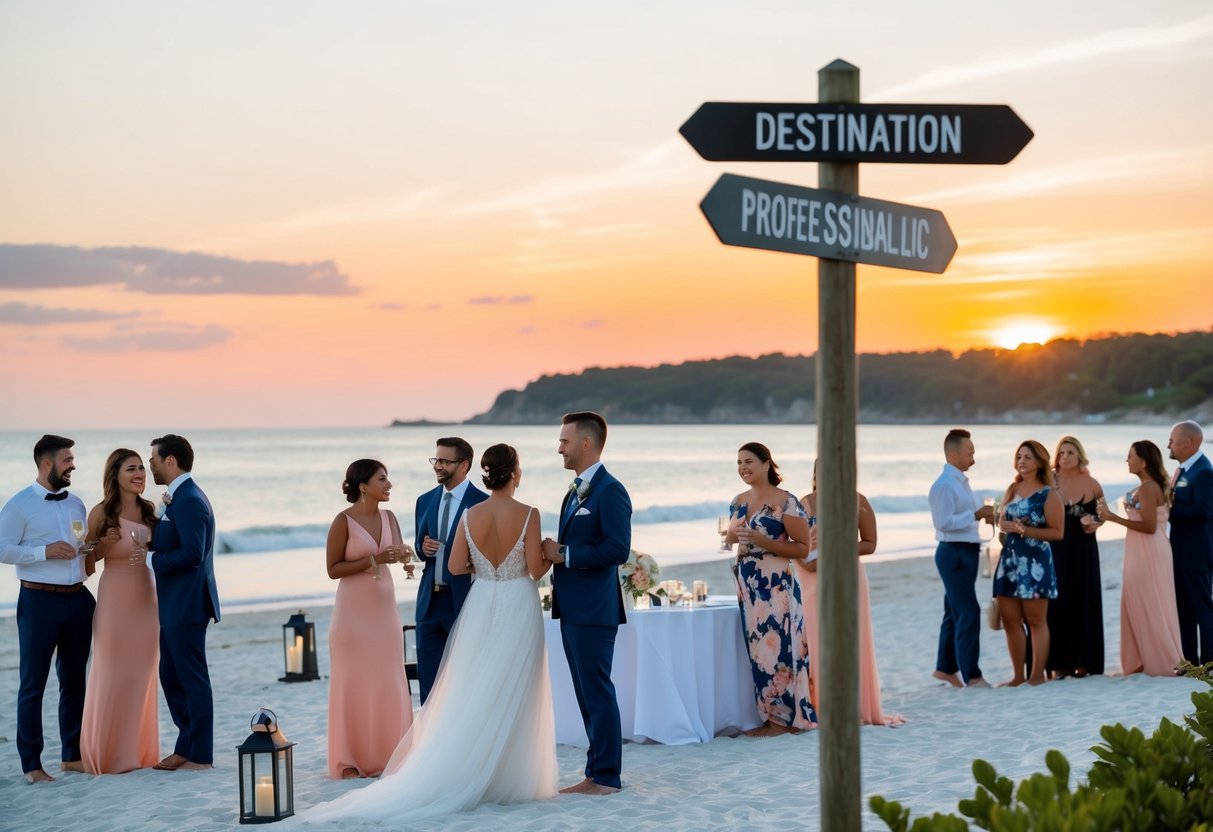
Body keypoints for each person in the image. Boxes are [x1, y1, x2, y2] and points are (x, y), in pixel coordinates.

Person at [299, 444, 556, 823]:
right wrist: (549, 553)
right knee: (512, 687)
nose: (438, 465)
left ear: (479, 470)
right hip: (513, 600)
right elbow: (535, 569)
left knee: (471, 688)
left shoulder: (471, 512)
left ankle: (461, 763)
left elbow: (456, 565)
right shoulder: (528, 513)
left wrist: (484, 567)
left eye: (443, 459)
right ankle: (506, 774)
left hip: (479, 602)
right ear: (515, 472)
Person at [542, 412, 632, 794]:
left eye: (564, 441)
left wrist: (564, 554)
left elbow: (618, 549)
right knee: (586, 694)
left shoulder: (610, 491)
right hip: (573, 608)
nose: (559, 448)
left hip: (594, 609)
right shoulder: (574, 491)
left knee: (597, 691)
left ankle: (607, 776)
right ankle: (595, 773)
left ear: (586, 443)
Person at [0, 434, 94, 783]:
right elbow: (2, 549)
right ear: (46, 463)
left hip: (78, 599)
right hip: (39, 602)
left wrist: (88, 549)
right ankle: (32, 765)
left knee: (74, 681)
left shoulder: (77, 504)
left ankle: (72, 756)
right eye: (67, 460)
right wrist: (44, 552)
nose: (73, 465)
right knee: (33, 684)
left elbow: (79, 544)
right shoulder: (19, 506)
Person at [325, 459, 415, 779]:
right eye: (382, 479)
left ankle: (392, 755)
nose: (389, 484)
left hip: (385, 616)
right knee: (353, 685)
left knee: (389, 682)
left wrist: (406, 558)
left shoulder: (390, 517)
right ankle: (349, 761)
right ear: (363, 486)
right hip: (352, 617)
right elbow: (333, 569)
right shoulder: (343, 521)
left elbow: (399, 552)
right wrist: (374, 559)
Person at [797, 461, 903, 726]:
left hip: (847, 575)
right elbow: (793, 543)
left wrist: (834, 552)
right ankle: (821, 705)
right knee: (817, 639)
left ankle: (852, 706)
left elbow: (870, 543)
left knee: (849, 639)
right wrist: (804, 562)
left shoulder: (858, 501)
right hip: (811, 578)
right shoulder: (804, 503)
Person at [724, 442, 816, 736]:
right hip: (747, 585)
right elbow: (731, 540)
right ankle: (768, 718)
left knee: (778, 649)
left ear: (766, 464)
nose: (743, 468)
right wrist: (729, 537)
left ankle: (782, 722)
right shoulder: (738, 501)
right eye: (739, 463)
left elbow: (803, 549)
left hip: (776, 586)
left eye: (748, 461)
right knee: (757, 651)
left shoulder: (786, 501)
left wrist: (762, 541)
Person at [79, 449, 160, 774]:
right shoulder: (101, 512)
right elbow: (85, 564)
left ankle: (137, 754)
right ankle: (107, 755)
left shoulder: (150, 511)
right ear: (115, 475)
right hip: (114, 598)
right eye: (131, 468)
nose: (139, 473)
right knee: (112, 673)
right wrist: (102, 545)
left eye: (141, 467)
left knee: (142, 674)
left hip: (146, 599)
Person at [147, 434, 221, 771]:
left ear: (170, 461)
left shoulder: (190, 500)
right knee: (171, 675)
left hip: (187, 602)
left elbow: (192, 553)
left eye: (153, 460)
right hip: (175, 603)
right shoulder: (178, 498)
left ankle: (200, 755)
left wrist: (151, 559)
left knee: (191, 678)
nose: (150, 466)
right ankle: (186, 746)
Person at [1097, 441, 1184, 676]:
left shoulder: (1148, 488)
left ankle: (1162, 661)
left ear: (1143, 462)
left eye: (1131, 456)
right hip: (1141, 548)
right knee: (1139, 600)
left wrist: (1112, 517)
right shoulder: (1146, 486)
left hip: (1149, 550)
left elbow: (1148, 526)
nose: (1127, 460)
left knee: (1149, 603)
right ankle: (1142, 659)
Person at [412, 437, 487, 704]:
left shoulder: (482, 503)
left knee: (465, 680)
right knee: (429, 683)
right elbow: (419, 548)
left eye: (444, 461)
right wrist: (423, 547)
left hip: (464, 602)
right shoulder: (424, 501)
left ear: (464, 465)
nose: (437, 466)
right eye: (436, 460)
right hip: (429, 604)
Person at [927, 429, 995, 689]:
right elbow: (942, 523)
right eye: (970, 453)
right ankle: (972, 675)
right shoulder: (944, 485)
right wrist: (976, 515)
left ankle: (944, 668)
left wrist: (986, 515)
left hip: (967, 550)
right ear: (954, 454)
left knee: (953, 611)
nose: (973, 459)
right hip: (953, 553)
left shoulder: (962, 483)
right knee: (969, 611)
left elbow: (967, 516)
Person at [992, 440, 1063, 686]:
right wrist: (1003, 524)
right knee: (1010, 620)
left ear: (1039, 462)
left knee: (1035, 620)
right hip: (1009, 561)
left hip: (1036, 562)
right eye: (1019, 457)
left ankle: (1036, 676)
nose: (1021, 461)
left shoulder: (1048, 494)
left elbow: (1058, 533)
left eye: (1027, 457)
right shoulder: (1012, 488)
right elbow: (1003, 520)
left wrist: (1024, 530)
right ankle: (1018, 676)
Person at [1045, 435, 1105, 678]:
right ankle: (1059, 664)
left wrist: (1096, 522)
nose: (1065, 457)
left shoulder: (1092, 483)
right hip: (1056, 548)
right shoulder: (1049, 482)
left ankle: (1084, 662)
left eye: (1070, 452)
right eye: (1061, 453)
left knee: (1084, 600)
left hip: (1084, 550)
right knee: (1057, 604)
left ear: (1080, 455)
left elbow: (1103, 513)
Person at [1167, 420, 1213, 665]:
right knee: (1183, 607)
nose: (1168, 445)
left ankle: (1209, 661)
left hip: (1197, 552)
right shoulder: (1185, 469)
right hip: (1181, 549)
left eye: (1172, 441)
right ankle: (1190, 661)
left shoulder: (1203, 471)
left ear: (1188, 442)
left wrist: (1168, 510)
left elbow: (1204, 510)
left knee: (1202, 607)